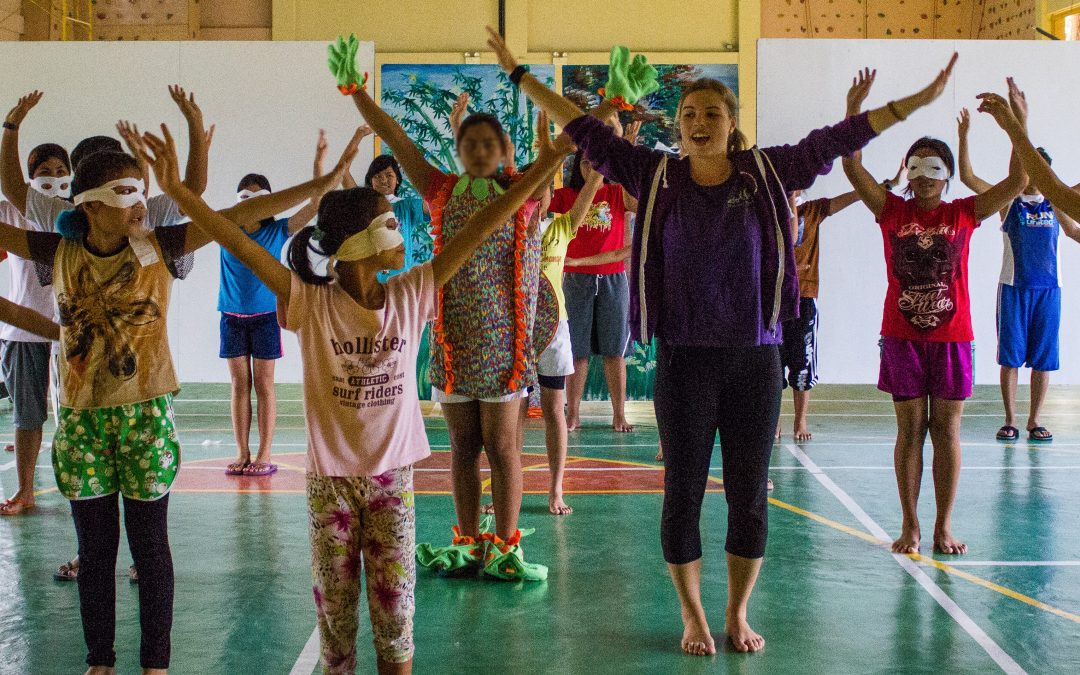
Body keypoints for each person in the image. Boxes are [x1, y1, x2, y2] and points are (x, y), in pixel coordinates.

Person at [491, 24, 959, 653]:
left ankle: (737, 611)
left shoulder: (767, 170)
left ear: (732, 121)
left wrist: (915, 102)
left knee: (749, 497)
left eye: (713, 112)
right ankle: (692, 614)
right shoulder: (656, 174)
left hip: (755, 359)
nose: (700, 121)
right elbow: (584, 130)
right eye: (689, 114)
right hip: (684, 361)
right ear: (678, 127)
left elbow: (839, 137)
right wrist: (519, 74)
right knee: (681, 495)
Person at [141, 112, 570, 673]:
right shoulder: (311, 304)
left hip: (393, 485)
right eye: (391, 224)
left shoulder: (413, 290)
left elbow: (488, 221)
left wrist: (557, 151)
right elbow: (233, 240)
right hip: (330, 491)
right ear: (360, 241)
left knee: (397, 633)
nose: (402, 233)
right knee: (337, 633)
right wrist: (178, 194)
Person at [346, 66, 550, 566]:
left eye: (489, 142)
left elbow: (561, 153)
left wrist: (608, 109)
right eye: (470, 142)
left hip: (507, 347)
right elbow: (392, 134)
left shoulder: (523, 191)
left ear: (503, 150)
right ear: (460, 150)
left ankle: (504, 544)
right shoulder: (439, 189)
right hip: (454, 341)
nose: (480, 150)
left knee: (503, 448)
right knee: (462, 445)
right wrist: (357, 93)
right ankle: (466, 538)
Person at [843, 70, 1026, 558]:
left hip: (952, 340)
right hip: (901, 337)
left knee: (946, 430)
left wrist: (1016, 124)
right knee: (909, 431)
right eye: (917, 168)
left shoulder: (966, 211)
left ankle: (943, 526)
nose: (926, 177)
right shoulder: (890, 211)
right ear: (907, 172)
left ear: (945, 175)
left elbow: (1020, 180)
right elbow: (851, 167)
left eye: (935, 168)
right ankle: (910, 525)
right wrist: (855, 110)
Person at [957, 89, 1080, 443]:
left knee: (1044, 359)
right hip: (1013, 288)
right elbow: (967, 177)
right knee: (1010, 357)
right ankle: (1010, 419)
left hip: (1049, 290)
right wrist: (964, 137)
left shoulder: (1056, 203)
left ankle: (1035, 419)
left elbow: (1072, 231)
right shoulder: (1007, 203)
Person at [220, 129, 341, 477]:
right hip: (230, 315)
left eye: (259, 198)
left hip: (266, 316)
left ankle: (264, 452)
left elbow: (315, 205)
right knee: (239, 384)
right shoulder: (226, 230)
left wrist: (318, 163)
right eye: (245, 198)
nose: (250, 204)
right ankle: (242, 451)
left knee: (265, 383)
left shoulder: (278, 230)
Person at [530, 159, 605, 515]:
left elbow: (586, 197)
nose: (535, 196)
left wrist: (597, 172)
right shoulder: (504, 228)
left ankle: (556, 489)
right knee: (511, 414)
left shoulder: (560, 227)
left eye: (541, 190)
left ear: (549, 196)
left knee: (553, 410)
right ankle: (505, 486)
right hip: (512, 331)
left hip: (553, 329)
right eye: (528, 189)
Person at [0, 141, 70, 516]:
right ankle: (25, 490)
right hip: (23, 333)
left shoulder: (78, 214)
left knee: (74, 417)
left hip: (70, 332)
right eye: (45, 171)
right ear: (29, 176)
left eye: (61, 171)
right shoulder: (10, 213)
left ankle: (81, 492)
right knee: (27, 416)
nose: (54, 178)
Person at [555, 139, 637, 433]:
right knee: (577, 351)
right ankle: (572, 414)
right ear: (578, 167)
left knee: (615, 351)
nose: (590, 168)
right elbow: (537, 204)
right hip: (576, 280)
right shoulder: (567, 197)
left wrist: (626, 157)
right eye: (585, 163)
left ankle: (619, 415)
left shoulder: (616, 193)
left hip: (614, 277)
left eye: (596, 163)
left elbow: (636, 204)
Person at [776, 185, 863, 442]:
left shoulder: (813, 210)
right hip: (776, 299)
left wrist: (887, 184)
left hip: (805, 297)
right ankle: (773, 420)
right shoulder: (772, 210)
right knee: (773, 363)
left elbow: (848, 197)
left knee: (803, 360)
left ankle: (801, 419)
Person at [343, 152, 432, 279]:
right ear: (370, 180)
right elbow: (344, 171)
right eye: (377, 176)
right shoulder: (363, 206)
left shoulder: (407, 206)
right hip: (370, 280)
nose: (383, 180)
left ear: (398, 179)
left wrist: (410, 165)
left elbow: (432, 203)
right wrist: (360, 134)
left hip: (401, 280)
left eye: (389, 175)